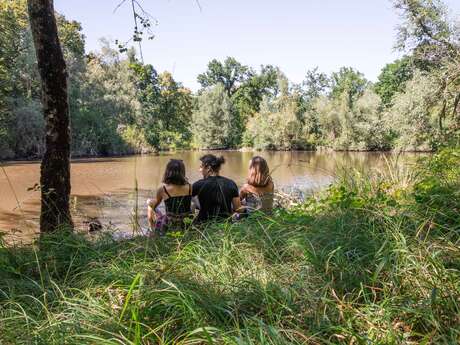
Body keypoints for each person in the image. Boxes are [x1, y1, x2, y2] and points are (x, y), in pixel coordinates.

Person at [192, 154, 242, 222]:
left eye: (201, 167)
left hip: (204, 224)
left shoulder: (198, 185)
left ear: (208, 168)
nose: (199, 170)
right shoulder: (231, 183)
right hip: (225, 225)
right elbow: (238, 209)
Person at [147, 159, 193, 235]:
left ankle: (152, 230)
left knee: (150, 206)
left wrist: (150, 202)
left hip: (170, 223)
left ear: (168, 172)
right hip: (185, 222)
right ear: (183, 172)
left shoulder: (163, 189)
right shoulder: (190, 187)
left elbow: (155, 205)